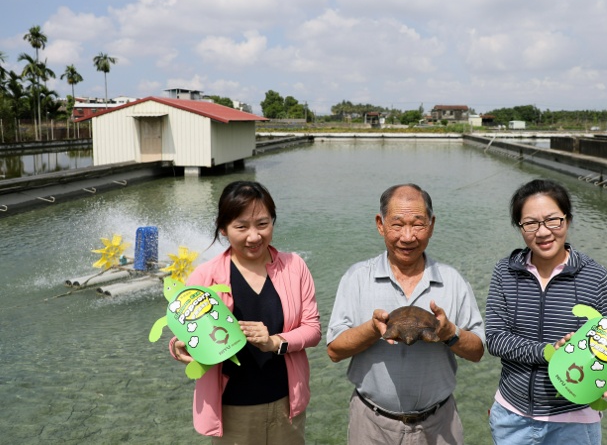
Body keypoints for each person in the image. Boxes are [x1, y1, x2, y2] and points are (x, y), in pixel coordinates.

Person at [327, 183, 485, 445]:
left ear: (432, 225)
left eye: (418, 224)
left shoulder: (452, 281)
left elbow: (478, 351)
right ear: (380, 224)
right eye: (398, 224)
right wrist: (373, 329)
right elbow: (334, 351)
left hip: (439, 423)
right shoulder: (356, 278)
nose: (408, 236)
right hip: (371, 423)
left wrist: (450, 334)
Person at [169, 180, 321, 444]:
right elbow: (185, 330)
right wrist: (179, 346)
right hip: (232, 410)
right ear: (223, 229)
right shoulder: (205, 276)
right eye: (241, 226)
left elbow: (312, 329)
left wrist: (275, 342)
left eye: (263, 224)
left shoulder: (295, 267)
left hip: (287, 404)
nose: (254, 236)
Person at [486, 179, 607, 445]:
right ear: (520, 227)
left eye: (552, 220)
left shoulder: (596, 277)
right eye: (531, 223)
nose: (543, 232)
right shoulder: (505, 272)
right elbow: (495, 338)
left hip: (575, 421)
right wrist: (550, 353)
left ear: (567, 220)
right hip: (511, 417)